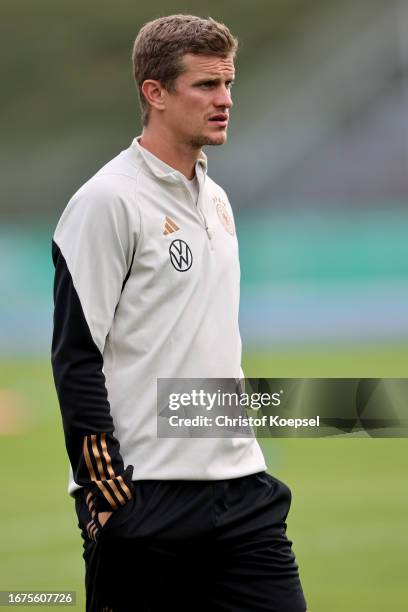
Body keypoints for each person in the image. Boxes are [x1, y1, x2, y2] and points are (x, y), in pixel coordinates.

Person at [51, 14, 307, 612]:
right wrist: (107, 494)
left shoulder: (216, 199)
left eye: (229, 84)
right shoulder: (106, 201)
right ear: (155, 93)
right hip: (146, 498)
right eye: (207, 86)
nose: (225, 101)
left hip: (243, 492)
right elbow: (75, 356)